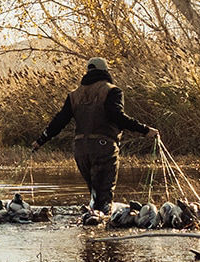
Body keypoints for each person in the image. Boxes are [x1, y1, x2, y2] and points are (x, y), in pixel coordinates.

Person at [32, 57, 160, 213]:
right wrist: (145, 130)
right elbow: (118, 117)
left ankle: (90, 232)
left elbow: (59, 121)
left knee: (94, 194)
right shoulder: (112, 91)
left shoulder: (74, 95)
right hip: (104, 148)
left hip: (80, 150)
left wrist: (40, 140)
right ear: (105, 71)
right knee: (104, 197)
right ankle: (103, 233)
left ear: (88, 72)